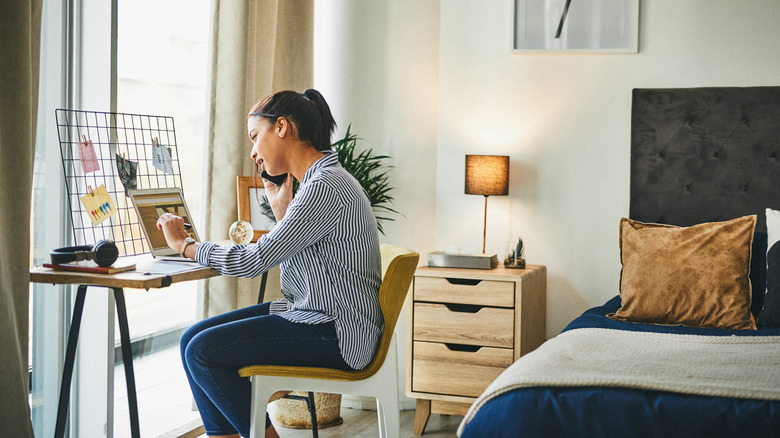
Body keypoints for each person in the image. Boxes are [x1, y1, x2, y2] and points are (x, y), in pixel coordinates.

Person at [156, 89, 382, 438]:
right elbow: (311, 261)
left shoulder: (324, 186)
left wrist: (185, 246)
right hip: (320, 316)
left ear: (281, 127)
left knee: (204, 351)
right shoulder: (321, 182)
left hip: (336, 332)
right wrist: (283, 213)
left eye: (254, 136)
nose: (253, 152)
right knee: (192, 340)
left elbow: (255, 261)